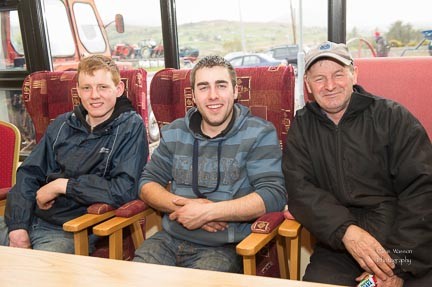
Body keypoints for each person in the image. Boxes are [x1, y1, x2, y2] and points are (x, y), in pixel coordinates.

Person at [283, 41, 432, 286]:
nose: (329, 86)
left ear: (354, 73)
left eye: (338, 74)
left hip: (404, 244)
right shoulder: (302, 126)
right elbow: (301, 191)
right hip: (338, 245)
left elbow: (423, 191)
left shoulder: (392, 117)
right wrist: (346, 232)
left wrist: (397, 267)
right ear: (307, 85)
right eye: (319, 78)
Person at [133, 55, 287, 273]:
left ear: (235, 91)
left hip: (224, 247)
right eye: (203, 87)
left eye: (221, 86)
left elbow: (273, 195)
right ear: (194, 96)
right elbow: (147, 183)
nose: (213, 95)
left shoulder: (259, 133)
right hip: (168, 239)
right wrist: (187, 208)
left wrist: (210, 212)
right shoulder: (175, 131)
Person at [0, 55, 148, 253]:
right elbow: (28, 174)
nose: (94, 95)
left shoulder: (131, 127)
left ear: (118, 89)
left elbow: (123, 189)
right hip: (27, 218)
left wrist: (63, 186)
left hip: (70, 229)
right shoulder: (62, 124)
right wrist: (18, 226)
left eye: (103, 87)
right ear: (78, 91)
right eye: (86, 88)